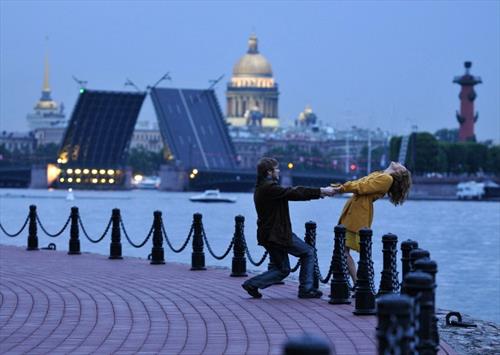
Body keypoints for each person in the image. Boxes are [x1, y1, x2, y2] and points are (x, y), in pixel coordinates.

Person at [242, 157, 335, 299]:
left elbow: (292, 193)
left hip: (268, 234)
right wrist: (321, 191)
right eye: (276, 169)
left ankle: (253, 284)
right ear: (269, 172)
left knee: (282, 269)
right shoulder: (269, 188)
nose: (278, 171)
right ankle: (306, 289)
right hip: (277, 233)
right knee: (308, 252)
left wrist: (318, 194)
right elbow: (294, 192)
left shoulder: (262, 188)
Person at [332, 161, 412, 285]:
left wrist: (341, 188)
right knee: (343, 250)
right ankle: (349, 283)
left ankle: (357, 284)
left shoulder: (387, 179)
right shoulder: (381, 174)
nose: (399, 162)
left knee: (343, 251)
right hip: (354, 211)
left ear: (400, 172)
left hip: (357, 214)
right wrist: (341, 187)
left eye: (403, 166)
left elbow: (362, 187)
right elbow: (361, 183)